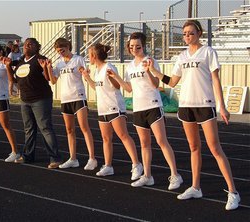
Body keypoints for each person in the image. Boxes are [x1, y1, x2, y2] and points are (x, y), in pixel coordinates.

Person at [147, 20, 240, 210]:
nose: (187, 36)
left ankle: (233, 192)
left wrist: (222, 106)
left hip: (205, 105)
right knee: (193, 147)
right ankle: (196, 187)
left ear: (199, 33)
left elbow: (215, 80)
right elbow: (172, 82)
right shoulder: (181, 57)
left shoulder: (208, 52)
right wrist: (154, 71)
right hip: (186, 106)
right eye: (185, 34)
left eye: (191, 33)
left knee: (215, 148)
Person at [108, 32, 183, 190]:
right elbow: (128, 89)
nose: (134, 49)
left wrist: (148, 70)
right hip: (138, 108)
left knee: (161, 141)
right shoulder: (129, 66)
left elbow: (156, 84)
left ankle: (175, 175)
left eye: (138, 46)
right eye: (132, 46)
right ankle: (147, 176)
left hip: (153, 105)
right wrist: (116, 77)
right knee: (144, 143)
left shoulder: (150, 61)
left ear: (144, 46)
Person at [80, 43, 143, 177]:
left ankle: (136, 164)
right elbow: (96, 87)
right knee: (106, 138)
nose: (88, 58)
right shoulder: (97, 70)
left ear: (94, 56)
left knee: (123, 135)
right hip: (103, 109)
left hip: (114, 107)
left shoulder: (108, 67)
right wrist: (86, 77)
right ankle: (108, 166)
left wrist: (113, 76)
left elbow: (116, 87)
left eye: (89, 55)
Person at [5, 38, 62, 168]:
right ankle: (28, 156)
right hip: (25, 100)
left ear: (37, 47)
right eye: (25, 44)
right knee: (29, 129)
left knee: (45, 128)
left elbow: (48, 78)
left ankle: (55, 158)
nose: (27, 46)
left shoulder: (41, 59)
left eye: (31, 44)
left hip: (41, 99)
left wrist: (46, 68)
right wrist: (8, 66)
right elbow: (12, 80)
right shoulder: (20, 61)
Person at [46, 37, 97, 170]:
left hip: (78, 97)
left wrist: (86, 73)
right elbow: (53, 81)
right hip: (65, 99)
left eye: (62, 50)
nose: (61, 53)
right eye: (58, 51)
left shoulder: (78, 59)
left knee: (84, 127)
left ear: (68, 47)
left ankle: (92, 158)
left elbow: (86, 73)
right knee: (69, 130)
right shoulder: (59, 63)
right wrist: (48, 69)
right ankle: (73, 158)